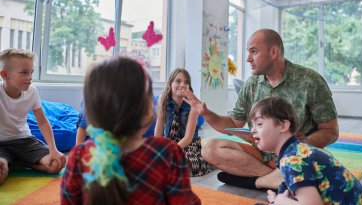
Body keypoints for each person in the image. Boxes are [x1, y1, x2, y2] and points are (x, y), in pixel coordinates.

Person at [183, 29, 339, 190]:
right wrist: (206, 113)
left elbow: (331, 131)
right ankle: (279, 180)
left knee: (325, 161)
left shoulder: (310, 81)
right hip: (262, 156)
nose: (248, 58)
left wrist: (306, 142)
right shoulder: (251, 84)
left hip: (296, 156)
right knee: (208, 148)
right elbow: (233, 123)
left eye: (254, 51)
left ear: (274, 52)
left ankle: (264, 180)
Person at [61, 56, 200, 205]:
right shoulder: (168, 153)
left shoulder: (78, 156)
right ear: (148, 109)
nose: (181, 85)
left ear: (92, 112)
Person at [250, 96, 362, 205]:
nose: (252, 130)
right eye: (253, 125)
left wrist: (281, 201)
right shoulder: (298, 150)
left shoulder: (293, 160)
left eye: (259, 124)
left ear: (283, 126)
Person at [0, 48, 66, 185]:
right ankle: (8, 163)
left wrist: (53, 150)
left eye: (31, 72)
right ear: (5, 75)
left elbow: (42, 122)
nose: (30, 77)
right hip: (1, 144)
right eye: (24, 72)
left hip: (24, 141)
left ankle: (19, 161)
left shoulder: (32, 91)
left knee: (55, 164)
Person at [154, 68, 215, 176]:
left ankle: (211, 162)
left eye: (186, 82)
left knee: (184, 163)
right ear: (170, 84)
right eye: (178, 81)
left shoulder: (193, 104)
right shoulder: (163, 100)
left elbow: (188, 137)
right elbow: (158, 128)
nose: (182, 84)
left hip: (188, 145)